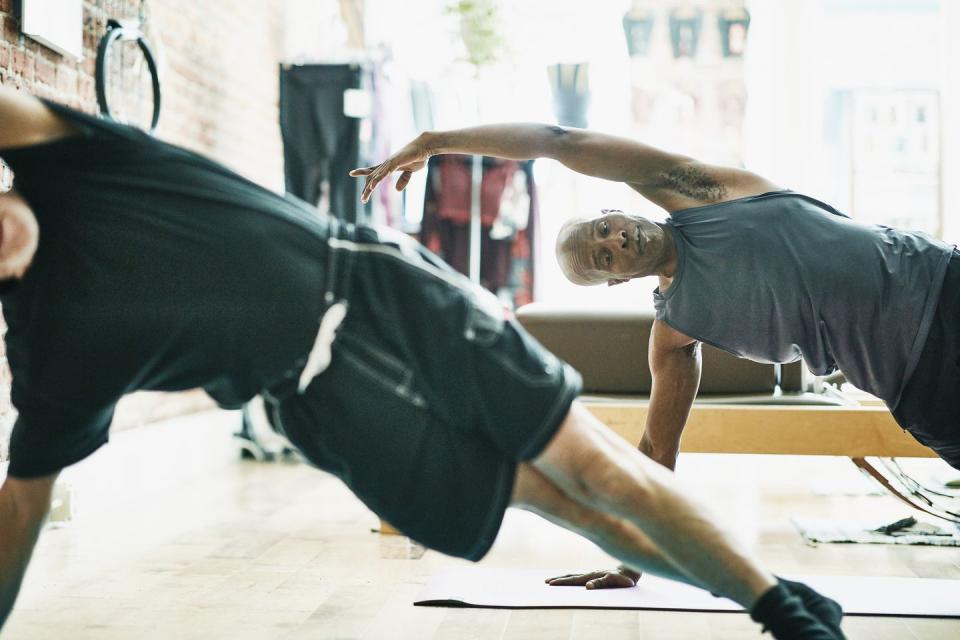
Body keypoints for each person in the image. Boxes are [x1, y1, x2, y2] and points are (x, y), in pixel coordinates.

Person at [0, 89, 843, 639]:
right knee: (563, 506)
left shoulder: (78, 163)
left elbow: (558, 138)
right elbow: (23, 503)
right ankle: (764, 591)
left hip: (374, 285)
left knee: (600, 473)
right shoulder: (49, 349)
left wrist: (437, 137)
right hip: (320, 400)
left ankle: (785, 611)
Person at [353, 120, 956, 591]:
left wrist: (437, 142)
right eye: (606, 257)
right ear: (615, 282)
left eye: (608, 229)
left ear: (624, 210)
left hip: (940, 285)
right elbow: (658, 451)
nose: (618, 241)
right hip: (918, 389)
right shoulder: (675, 332)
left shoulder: (704, 192)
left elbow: (559, 142)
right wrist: (632, 559)